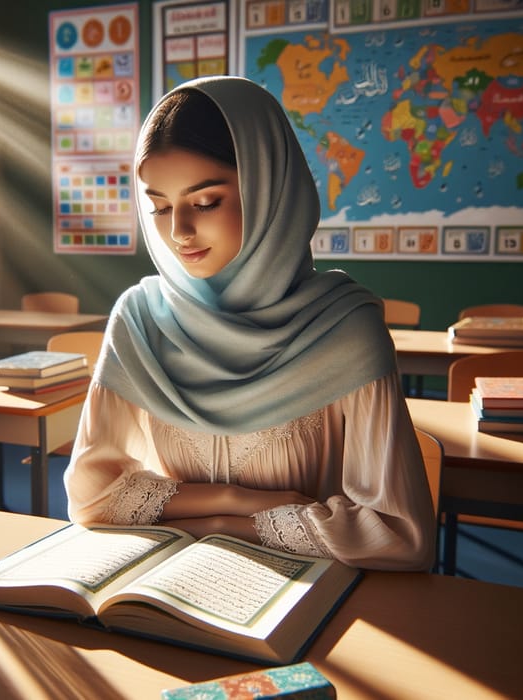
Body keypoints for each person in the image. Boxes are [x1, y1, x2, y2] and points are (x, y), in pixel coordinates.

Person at [64, 76, 436, 571]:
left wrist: (221, 526)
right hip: (180, 586)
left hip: (319, 609)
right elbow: (91, 498)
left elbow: (397, 533)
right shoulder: (139, 322)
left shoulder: (345, 330)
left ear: (268, 189)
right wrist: (236, 502)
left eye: (205, 202)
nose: (178, 232)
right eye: (158, 206)